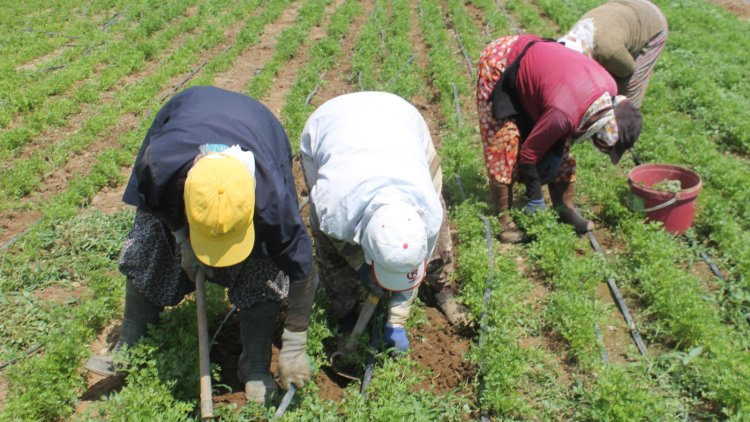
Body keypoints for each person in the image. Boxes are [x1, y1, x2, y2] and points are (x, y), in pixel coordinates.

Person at [84, 86, 318, 405]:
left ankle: (253, 366)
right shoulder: (161, 164)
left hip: (261, 130)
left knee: (263, 269)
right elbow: (157, 202)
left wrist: (294, 343)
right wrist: (181, 238)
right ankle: (131, 345)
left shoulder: (273, 203)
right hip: (189, 116)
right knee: (151, 244)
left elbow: (303, 270)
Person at [299, 91, 469, 353]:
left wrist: (397, 321)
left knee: (439, 246)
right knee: (331, 255)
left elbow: (414, 261)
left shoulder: (428, 213)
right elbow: (334, 240)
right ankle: (346, 314)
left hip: (401, 120)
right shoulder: (333, 208)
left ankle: (441, 288)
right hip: (327, 125)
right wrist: (359, 266)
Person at [477, 34, 643, 242]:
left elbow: (565, 120)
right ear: (603, 130)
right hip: (501, 61)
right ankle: (504, 220)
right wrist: (535, 198)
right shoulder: (563, 114)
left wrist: (553, 152)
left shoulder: (607, 90)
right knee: (504, 141)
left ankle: (564, 208)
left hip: (546, 73)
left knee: (560, 147)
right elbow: (529, 154)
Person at [558, 0, 668, 109]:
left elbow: (627, 70)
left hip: (651, 22)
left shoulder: (609, 52)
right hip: (622, 5)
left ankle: (626, 122)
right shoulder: (565, 43)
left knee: (628, 90)